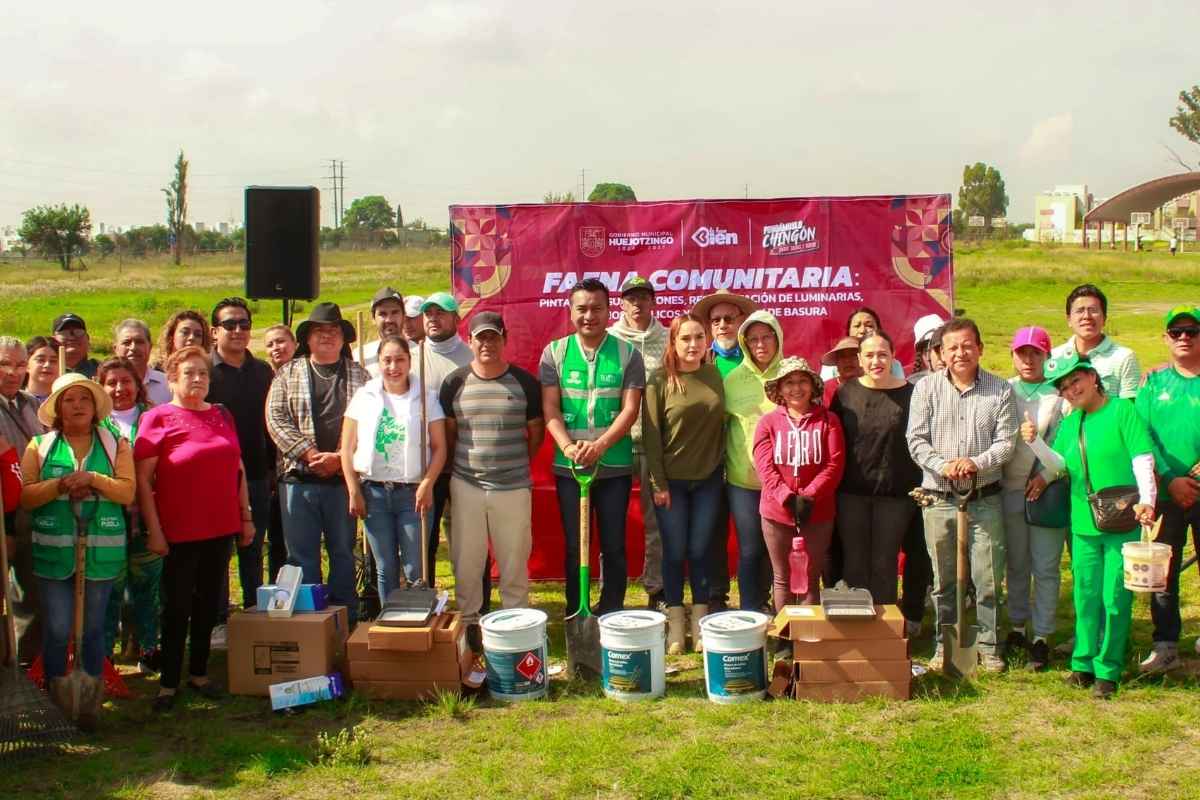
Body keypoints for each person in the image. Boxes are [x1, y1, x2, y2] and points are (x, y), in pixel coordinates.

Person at [1021, 353, 1156, 697]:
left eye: (1075, 381)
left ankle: (1108, 669)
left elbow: (1142, 458)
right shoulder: (1072, 422)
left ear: (1092, 376)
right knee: (1085, 595)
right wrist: (1034, 441)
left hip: (1123, 520)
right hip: (1083, 521)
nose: (1070, 389)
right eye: (1064, 387)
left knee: (1114, 596)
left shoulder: (1122, 411)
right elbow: (1059, 465)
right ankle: (1082, 663)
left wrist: (1148, 501)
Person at [135, 346, 253, 711]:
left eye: (203, 373)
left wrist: (245, 516)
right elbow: (143, 481)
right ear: (171, 378)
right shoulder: (157, 418)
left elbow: (239, 469)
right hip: (178, 530)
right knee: (176, 607)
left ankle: (199, 673)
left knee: (208, 604)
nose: (198, 379)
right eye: (189, 373)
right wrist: (153, 529)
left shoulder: (222, 415)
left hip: (220, 526)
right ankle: (168, 683)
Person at [20, 373, 134, 730]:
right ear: (57, 409)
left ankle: (88, 702)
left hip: (100, 554)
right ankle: (56, 699)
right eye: (69, 400)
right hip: (54, 555)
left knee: (94, 628)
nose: (78, 405)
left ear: (95, 407)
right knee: (56, 628)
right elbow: (26, 495)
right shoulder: (39, 446)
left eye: (84, 399)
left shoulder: (116, 445)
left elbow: (127, 493)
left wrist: (93, 480)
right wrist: (60, 485)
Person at [906, 317, 1017, 673]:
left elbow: (1006, 442)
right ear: (940, 352)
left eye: (967, 345)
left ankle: (989, 645)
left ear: (980, 348)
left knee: (986, 578)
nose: (960, 353)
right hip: (939, 498)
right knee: (944, 581)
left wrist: (974, 463)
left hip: (984, 498)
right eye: (952, 347)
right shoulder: (926, 390)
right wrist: (943, 465)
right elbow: (916, 440)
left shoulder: (1000, 390)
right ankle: (945, 645)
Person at [540, 278, 645, 616]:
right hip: (570, 467)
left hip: (613, 466)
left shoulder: (628, 353)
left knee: (613, 545)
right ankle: (577, 612)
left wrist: (599, 445)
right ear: (571, 311)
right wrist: (569, 447)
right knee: (575, 546)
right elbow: (550, 409)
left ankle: (612, 611)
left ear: (608, 310)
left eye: (597, 308)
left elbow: (630, 410)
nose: (589, 316)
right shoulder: (554, 352)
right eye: (582, 309)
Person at [440, 312, 544, 645]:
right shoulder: (454, 383)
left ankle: (516, 625)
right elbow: (451, 434)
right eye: (480, 338)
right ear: (469, 341)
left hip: (513, 486)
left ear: (504, 338)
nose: (486, 344)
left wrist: (514, 466)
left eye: (493, 337)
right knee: (467, 561)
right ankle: (470, 625)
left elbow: (536, 433)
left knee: (514, 560)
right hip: (466, 484)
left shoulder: (525, 383)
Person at [267, 303, 369, 624]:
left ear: (343, 339)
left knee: (342, 551)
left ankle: (345, 620)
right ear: (307, 339)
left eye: (334, 331)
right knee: (301, 556)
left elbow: (371, 424)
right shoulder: (287, 374)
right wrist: (310, 454)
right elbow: (276, 419)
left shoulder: (360, 376)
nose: (327, 336)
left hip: (342, 483)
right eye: (319, 331)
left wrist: (340, 459)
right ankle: (310, 622)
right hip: (298, 481)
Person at [642, 313, 725, 653]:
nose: (693, 345)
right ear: (673, 343)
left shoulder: (717, 374)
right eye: (685, 339)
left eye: (699, 338)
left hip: (708, 481)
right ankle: (676, 623)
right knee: (674, 552)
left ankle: (700, 623)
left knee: (701, 551)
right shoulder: (659, 380)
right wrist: (658, 483)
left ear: (707, 342)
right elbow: (651, 435)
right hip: (670, 483)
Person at [343, 336, 447, 602]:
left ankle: (415, 623)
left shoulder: (426, 396)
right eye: (387, 360)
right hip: (374, 493)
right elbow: (347, 448)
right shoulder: (364, 395)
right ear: (378, 363)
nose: (393, 366)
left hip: (412, 494)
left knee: (415, 567)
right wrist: (354, 489)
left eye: (400, 359)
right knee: (385, 566)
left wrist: (427, 484)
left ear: (409, 361)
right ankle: (389, 623)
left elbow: (439, 447)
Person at [830, 332, 921, 605]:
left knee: (885, 562)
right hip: (851, 495)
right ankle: (858, 628)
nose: (876, 360)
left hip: (895, 495)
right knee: (854, 562)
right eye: (869, 355)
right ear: (859, 359)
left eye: (882, 354)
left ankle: (885, 631)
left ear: (893, 357)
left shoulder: (911, 394)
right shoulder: (845, 393)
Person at [1135, 305, 1200, 673]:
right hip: (1166, 491)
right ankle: (1165, 644)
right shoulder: (1154, 382)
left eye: (1192, 331)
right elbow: (1142, 435)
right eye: (1177, 332)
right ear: (1166, 338)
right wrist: (1169, 478)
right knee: (1164, 570)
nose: (1184, 338)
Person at [754, 357, 845, 618]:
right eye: (789, 382)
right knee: (782, 577)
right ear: (779, 389)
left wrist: (809, 496)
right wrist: (786, 497)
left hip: (818, 512)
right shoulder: (768, 423)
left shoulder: (829, 421)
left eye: (802, 381)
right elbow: (765, 466)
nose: (796, 388)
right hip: (776, 512)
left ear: (813, 386)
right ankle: (785, 638)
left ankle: (807, 640)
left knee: (809, 578)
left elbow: (834, 463)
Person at [1001, 326, 1067, 671]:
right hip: (1010, 489)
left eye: (1036, 353)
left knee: (1044, 566)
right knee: (1017, 563)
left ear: (1046, 356)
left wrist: (1046, 476)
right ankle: (1016, 626)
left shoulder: (1060, 397)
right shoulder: (1002, 391)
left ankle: (1041, 635)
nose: (1028, 359)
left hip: (1047, 491)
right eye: (1022, 352)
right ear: (1012, 356)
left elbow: (1066, 452)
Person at [206, 298, 275, 618]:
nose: (237, 331)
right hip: (215, 480)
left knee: (253, 551)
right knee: (217, 557)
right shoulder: (202, 373)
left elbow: (271, 425)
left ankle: (253, 614)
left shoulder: (263, 372)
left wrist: (273, 470)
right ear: (214, 331)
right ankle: (219, 618)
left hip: (258, 476)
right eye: (229, 325)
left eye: (244, 325)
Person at [693, 290, 758, 612]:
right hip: (707, 460)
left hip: (745, 460)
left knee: (755, 537)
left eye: (728, 319)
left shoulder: (754, 360)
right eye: (715, 320)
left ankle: (761, 598)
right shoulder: (699, 361)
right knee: (711, 530)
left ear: (740, 322)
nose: (722, 325)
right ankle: (716, 596)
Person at [96, 357, 163, 674]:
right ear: (101, 387)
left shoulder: (153, 418)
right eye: (111, 382)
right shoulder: (93, 424)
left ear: (138, 385)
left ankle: (151, 650)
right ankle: (105, 656)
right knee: (108, 590)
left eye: (126, 381)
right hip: (106, 520)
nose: (119, 388)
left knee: (147, 589)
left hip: (147, 519)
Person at [608, 275, 670, 611]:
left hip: (652, 443)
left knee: (655, 523)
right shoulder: (610, 339)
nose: (637, 304)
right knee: (610, 520)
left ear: (653, 301)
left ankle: (656, 589)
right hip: (615, 441)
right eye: (631, 298)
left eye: (643, 297)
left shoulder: (668, 338)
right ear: (621, 303)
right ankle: (610, 592)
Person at [724, 310, 784, 611]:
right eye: (753, 338)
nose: (760, 344)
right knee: (750, 550)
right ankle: (751, 610)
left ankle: (783, 611)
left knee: (780, 551)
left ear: (777, 338)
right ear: (744, 343)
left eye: (766, 336)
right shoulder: (733, 380)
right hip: (742, 481)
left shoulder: (791, 375)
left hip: (784, 484)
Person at [415, 292, 474, 585]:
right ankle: (425, 600)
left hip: (464, 464)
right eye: (429, 313)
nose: (434, 319)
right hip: (425, 466)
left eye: (441, 313)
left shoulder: (473, 357)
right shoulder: (412, 358)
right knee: (425, 539)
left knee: (467, 541)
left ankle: (473, 607)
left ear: (456, 319)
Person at [0, 336, 46, 665]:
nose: (12, 372)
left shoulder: (32, 404)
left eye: (19, 365)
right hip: (1, 515)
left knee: (34, 596)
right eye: (4, 364)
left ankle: (28, 670)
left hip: (31, 512)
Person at [1050, 285, 1140, 400]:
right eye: (1080, 311)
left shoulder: (1124, 357)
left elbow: (1129, 409)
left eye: (1093, 310)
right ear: (1069, 320)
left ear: (1104, 319)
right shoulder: (1054, 356)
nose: (1087, 316)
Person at [260, 323, 295, 580]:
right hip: (265, 469)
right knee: (275, 539)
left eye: (281, 341)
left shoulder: (303, 376)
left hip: (293, 468)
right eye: (270, 344)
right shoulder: (262, 377)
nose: (276, 348)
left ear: (294, 344)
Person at [113, 319, 171, 405]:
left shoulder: (168, 385)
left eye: (139, 342)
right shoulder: (104, 388)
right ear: (115, 349)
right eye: (126, 342)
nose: (133, 348)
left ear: (150, 347)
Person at [361, 286, 406, 378]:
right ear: (373, 319)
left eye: (394, 312)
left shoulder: (420, 353)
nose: (389, 320)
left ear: (404, 316)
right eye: (382, 314)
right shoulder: (360, 356)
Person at [820, 336, 864, 407]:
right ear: (836, 362)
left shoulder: (876, 385)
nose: (847, 360)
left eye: (853, 355)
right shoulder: (823, 390)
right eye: (842, 356)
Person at [52, 313, 98, 379]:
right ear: (53, 340)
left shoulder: (102, 370)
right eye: (64, 333)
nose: (72, 338)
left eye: (78, 332)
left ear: (87, 338)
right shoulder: (46, 372)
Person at [908, 314, 945, 382]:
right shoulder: (913, 385)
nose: (940, 357)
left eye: (942, 349)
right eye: (934, 350)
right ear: (922, 355)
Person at [24, 336, 60, 405]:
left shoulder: (66, 403)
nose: (47, 365)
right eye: (41, 360)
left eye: (53, 361)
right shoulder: (13, 401)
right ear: (26, 364)